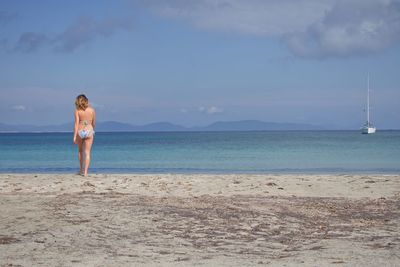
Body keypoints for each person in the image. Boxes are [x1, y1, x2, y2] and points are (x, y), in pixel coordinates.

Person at [73, 94, 96, 176]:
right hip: (89, 130)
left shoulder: (77, 111)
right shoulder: (92, 110)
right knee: (87, 152)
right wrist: (91, 129)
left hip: (80, 131)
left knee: (80, 151)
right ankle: (86, 172)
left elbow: (76, 124)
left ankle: (81, 170)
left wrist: (74, 136)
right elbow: (93, 123)